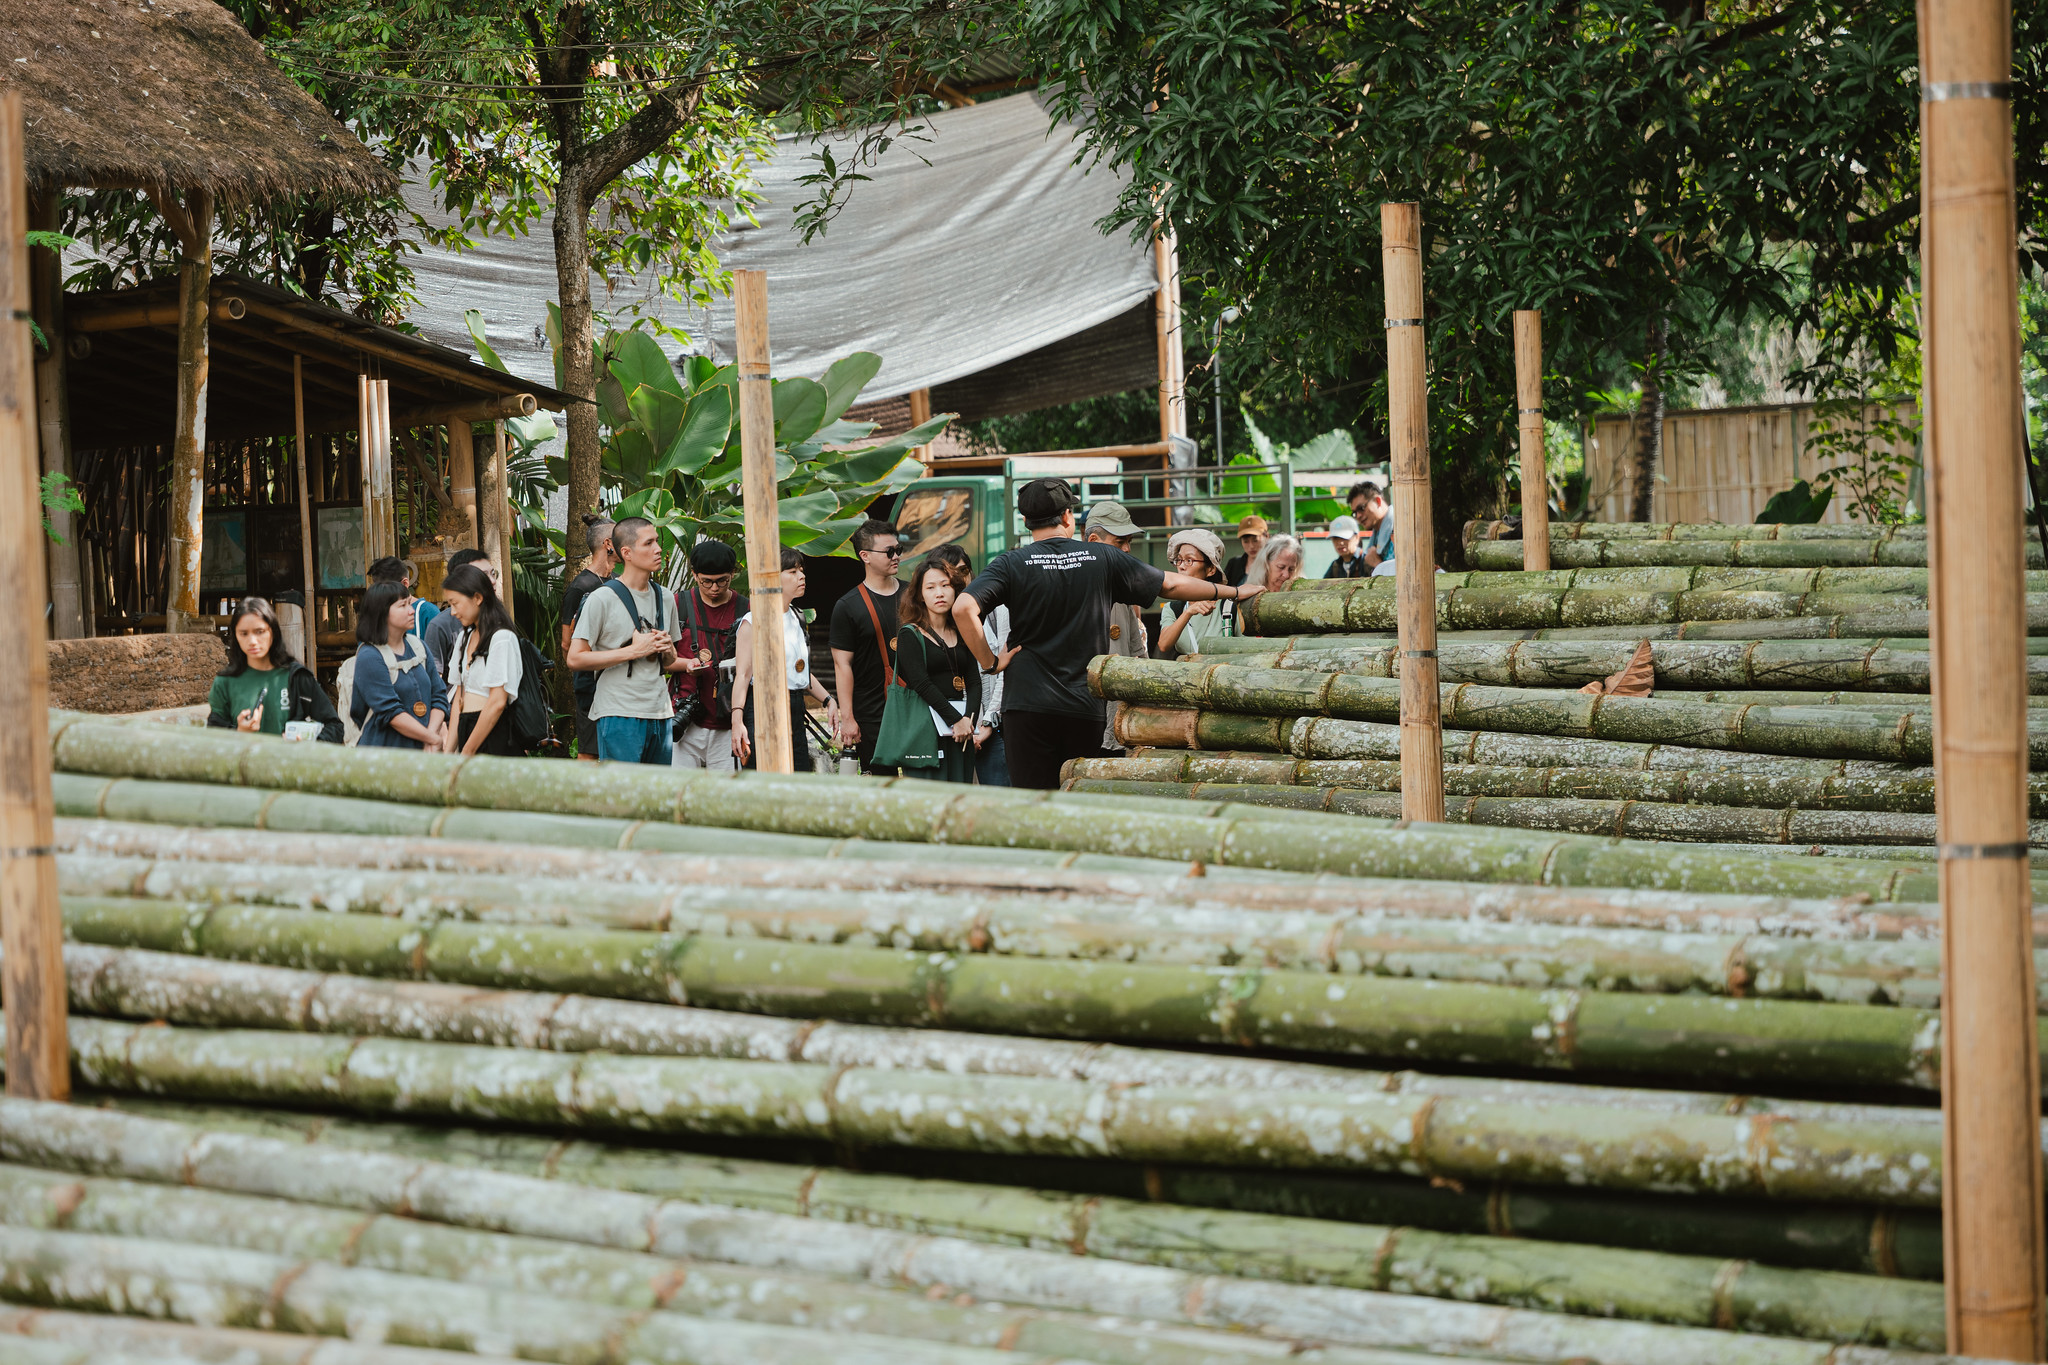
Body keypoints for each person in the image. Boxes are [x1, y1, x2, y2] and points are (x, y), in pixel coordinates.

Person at [953, 478, 1264, 791]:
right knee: (1079, 798)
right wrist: (1233, 591)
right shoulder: (1100, 557)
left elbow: (963, 608)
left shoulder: (1011, 563)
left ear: (1026, 521)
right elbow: (1170, 584)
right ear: (1066, 518)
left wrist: (990, 661)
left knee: (1034, 805)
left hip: (1027, 706)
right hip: (1083, 706)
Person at [566, 515, 683, 764]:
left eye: (657, 542)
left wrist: (668, 650)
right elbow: (574, 658)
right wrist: (633, 651)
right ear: (627, 553)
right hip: (618, 712)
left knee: (656, 799)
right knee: (622, 798)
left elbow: (670, 663)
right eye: (649, 543)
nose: (658, 549)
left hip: (660, 712)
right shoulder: (602, 598)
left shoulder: (666, 597)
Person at [730, 548, 834, 772]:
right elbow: (743, 674)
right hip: (762, 705)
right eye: (793, 571)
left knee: (797, 775)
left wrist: (828, 700)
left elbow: (800, 673)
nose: (802, 576)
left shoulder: (797, 616)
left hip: (795, 707)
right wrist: (736, 722)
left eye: (801, 570)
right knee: (764, 777)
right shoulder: (753, 620)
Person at [895, 553, 983, 784]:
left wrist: (968, 720)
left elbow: (973, 680)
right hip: (927, 729)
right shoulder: (910, 634)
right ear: (921, 595)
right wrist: (956, 719)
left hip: (960, 732)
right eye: (931, 587)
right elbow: (921, 683)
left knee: (960, 794)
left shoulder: (962, 631)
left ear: (955, 590)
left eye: (945, 586)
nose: (939, 593)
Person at [206, 596, 342, 742]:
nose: (252, 641)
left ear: (273, 632)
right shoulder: (225, 681)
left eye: (259, 631)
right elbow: (213, 736)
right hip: (242, 764)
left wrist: (309, 745)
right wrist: (239, 732)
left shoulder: (296, 677)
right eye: (244, 633)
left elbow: (335, 726)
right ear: (236, 636)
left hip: (288, 764)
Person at [829, 519, 904, 775]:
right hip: (872, 712)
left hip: (916, 706)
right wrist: (847, 718)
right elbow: (842, 665)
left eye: (898, 549)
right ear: (865, 556)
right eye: (889, 551)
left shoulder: (913, 595)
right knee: (882, 784)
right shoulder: (848, 605)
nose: (896, 556)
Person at [928, 543, 1007, 785]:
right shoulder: (932, 621)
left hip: (994, 726)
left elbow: (1005, 668)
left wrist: (986, 724)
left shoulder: (996, 609)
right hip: (950, 729)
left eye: (964, 570)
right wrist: (961, 723)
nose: (960, 579)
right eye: (950, 574)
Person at [673, 539, 747, 770]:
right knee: (678, 797)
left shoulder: (746, 609)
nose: (714, 588)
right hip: (685, 719)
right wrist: (685, 664)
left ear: (732, 574)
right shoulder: (679, 604)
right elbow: (659, 659)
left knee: (724, 800)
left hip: (728, 722)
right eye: (706, 582)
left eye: (721, 581)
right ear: (694, 575)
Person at [1083, 502, 1151, 753]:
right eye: (1120, 541)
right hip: (1082, 718)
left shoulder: (1125, 590)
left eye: (1129, 541)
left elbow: (1137, 653)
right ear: (1093, 540)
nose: (1127, 549)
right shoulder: (1070, 589)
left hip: (1120, 722)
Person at [351, 580, 448, 750]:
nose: (411, 611)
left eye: (410, 604)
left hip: (424, 752)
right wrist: (430, 738)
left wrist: (430, 736)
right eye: (403, 606)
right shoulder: (369, 656)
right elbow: (390, 711)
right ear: (381, 612)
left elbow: (439, 696)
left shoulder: (419, 647)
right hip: (385, 756)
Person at [441, 562, 525, 757]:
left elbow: (497, 703)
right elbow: (459, 699)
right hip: (466, 729)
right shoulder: (465, 637)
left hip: (494, 734)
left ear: (477, 598)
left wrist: (467, 752)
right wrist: (448, 753)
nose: (452, 612)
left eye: (456, 603)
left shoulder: (501, 638)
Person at [558, 516, 616, 763]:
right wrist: (583, 675)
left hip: (613, 681)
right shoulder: (580, 586)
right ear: (608, 543)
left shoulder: (614, 582)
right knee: (589, 748)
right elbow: (566, 643)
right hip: (590, 683)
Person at [1158, 528, 1233, 659]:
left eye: (1189, 560)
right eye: (1179, 560)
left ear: (1210, 569)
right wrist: (1188, 612)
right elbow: (1163, 644)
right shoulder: (1172, 608)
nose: (1181, 566)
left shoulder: (1228, 607)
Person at [426, 548, 492, 682]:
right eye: (483, 576)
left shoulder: (501, 627)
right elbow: (436, 682)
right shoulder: (441, 626)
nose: (492, 581)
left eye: (493, 573)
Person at [1349, 477, 1393, 571]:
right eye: (1354, 513)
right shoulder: (1377, 532)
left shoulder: (1399, 526)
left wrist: (1377, 564)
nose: (1358, 516)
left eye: (1361, 508)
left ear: (1378, 501)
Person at [1224, 515, 1267, 587]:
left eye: (1255, 540)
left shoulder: (1273, 564)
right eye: (1246, 541)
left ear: (1267, 536)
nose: (1251, 546)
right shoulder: (1234, 563)